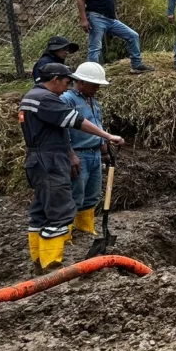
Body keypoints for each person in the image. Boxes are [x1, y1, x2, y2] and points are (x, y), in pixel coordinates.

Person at [20, 63, 124, 272]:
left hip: (45, 156)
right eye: (66, 82)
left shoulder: (33, 96)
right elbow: (73, 123)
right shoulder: (50, 99)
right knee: (60, 210)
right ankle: (51, 266)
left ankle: (40, 261)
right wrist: (106, 137)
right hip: (50, 158)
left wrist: (103, 147)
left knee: (42, 210)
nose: (67, 86)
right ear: (56, 79)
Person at [76, 0, 155, 74]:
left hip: (111, 19)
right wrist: (84, 19)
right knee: (95, 47)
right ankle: (93, 75)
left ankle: (136, 65)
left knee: (133, 36)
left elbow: (111, 0)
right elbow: (80, 0)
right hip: (96, 17)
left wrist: (115, 16)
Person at [60, 62, 111, 240]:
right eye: (94, 84)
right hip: (78, 153)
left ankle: (85, 226)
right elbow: (62, 130)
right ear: (80, 82)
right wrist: (70, 155)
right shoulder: (67, 99)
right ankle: (65, 234)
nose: (97, 88)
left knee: (92, 193)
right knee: (75, 193)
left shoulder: (92, 101)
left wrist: (104, 150)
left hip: (94, 153)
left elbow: (98, 126)